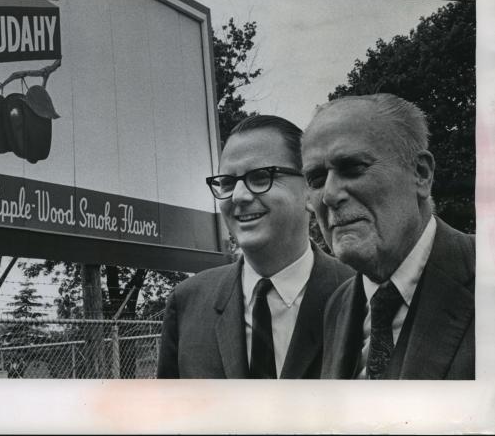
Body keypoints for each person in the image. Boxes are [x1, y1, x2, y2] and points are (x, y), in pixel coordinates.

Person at [157, 115, 353, 378]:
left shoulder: (361, 294)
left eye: (261, 177)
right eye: (227, 183)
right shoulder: (187, 303)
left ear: (309, 189)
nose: (238, 196)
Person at [301, 93, 475, 380]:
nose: (329, 195)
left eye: (353, 168)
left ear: (420, 174)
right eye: (317, 179)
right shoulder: (339, 305)